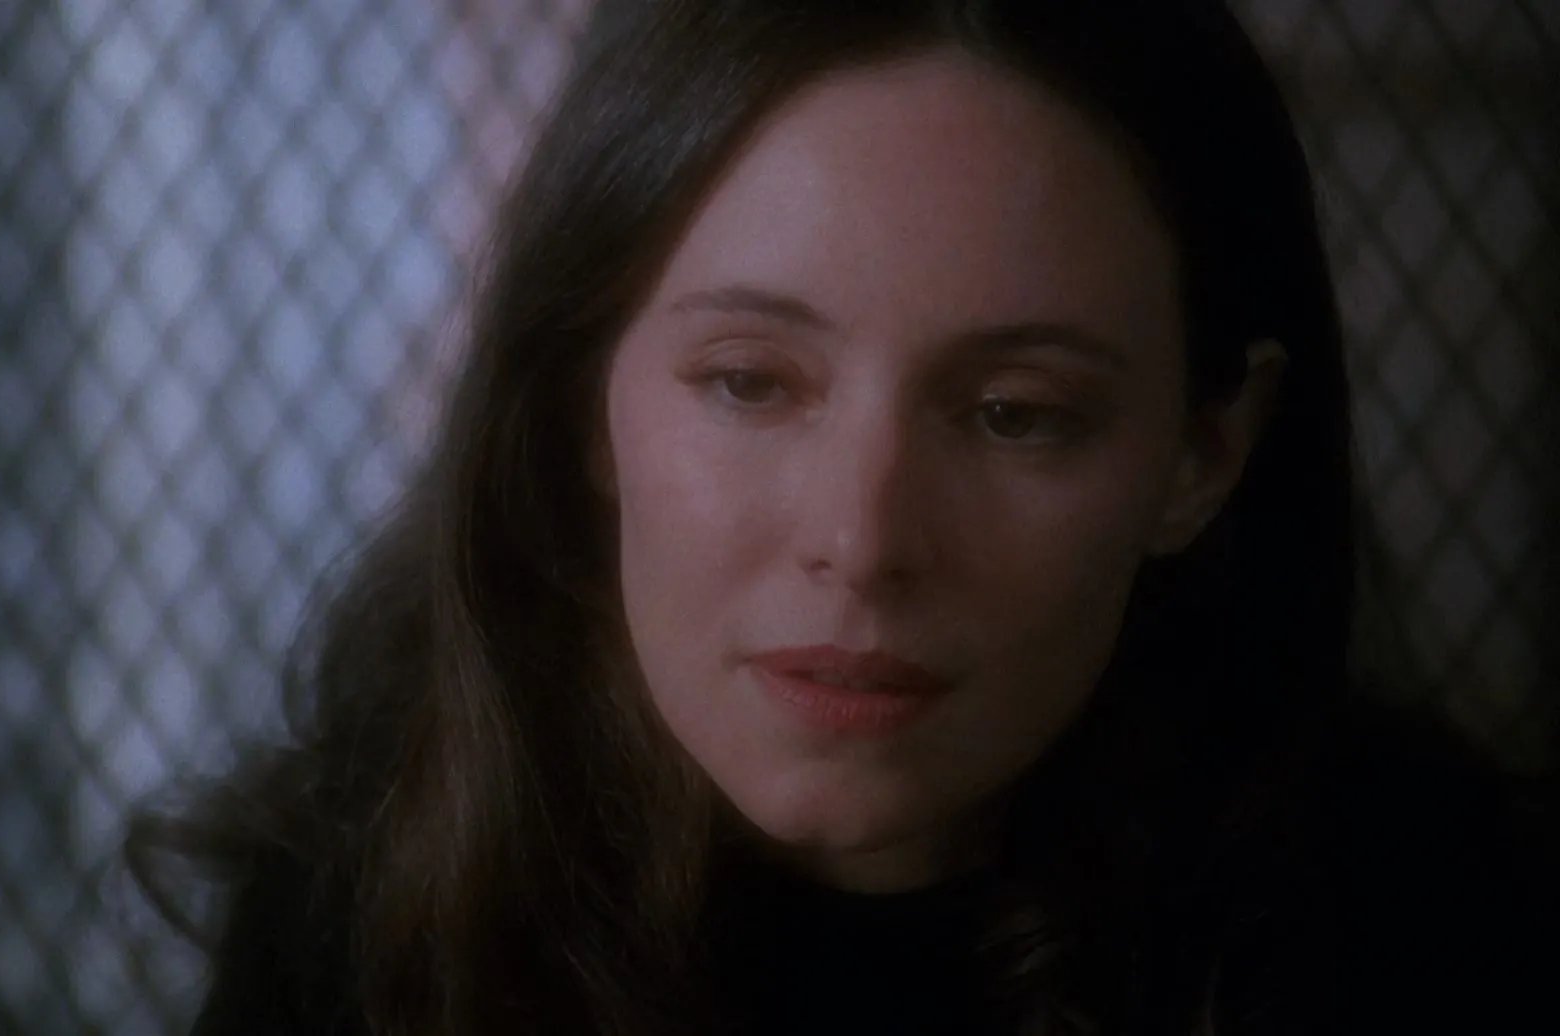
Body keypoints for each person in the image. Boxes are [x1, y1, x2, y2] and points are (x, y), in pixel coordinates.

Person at [130, 2, 1557, 1033]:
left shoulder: (1432, 934)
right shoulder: (363, 908)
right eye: (751, 383)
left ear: (1203, 454)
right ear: (581, 408)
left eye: (1016, 413)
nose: (865, 542)